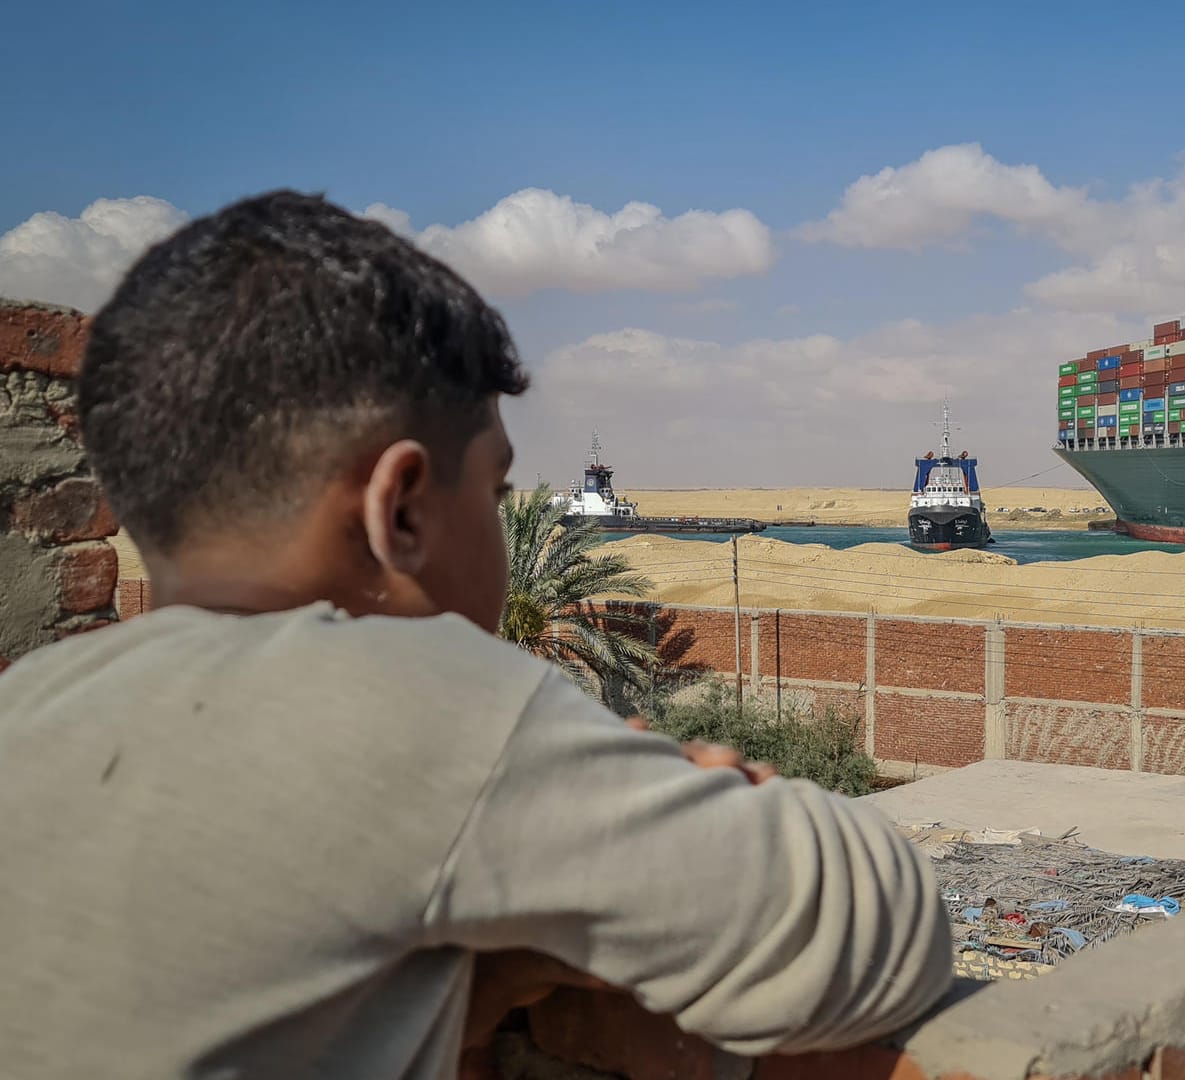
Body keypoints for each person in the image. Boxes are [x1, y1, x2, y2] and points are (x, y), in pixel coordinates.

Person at [0, 191, 952, 1078]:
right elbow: (888, 935)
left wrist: (471, 983)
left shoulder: (30, 703)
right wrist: (708, 798)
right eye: (496, 493)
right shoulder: (407, 703)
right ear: (402, 511)